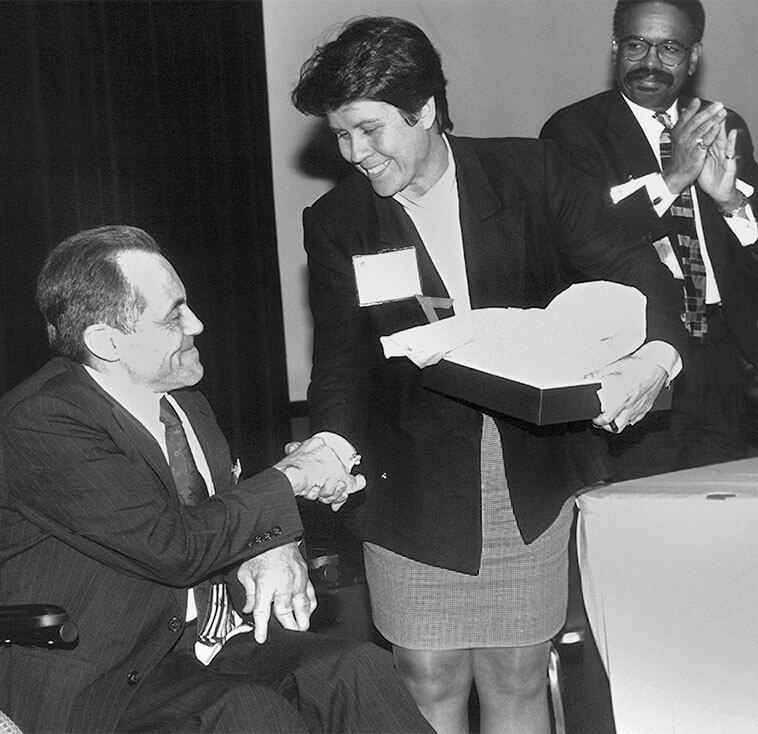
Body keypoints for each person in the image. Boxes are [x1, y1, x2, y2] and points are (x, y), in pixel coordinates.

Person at [291, 16, 689, 734]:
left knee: (515, 672)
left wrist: (651, 363)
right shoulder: (337, 221)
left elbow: (642, 276)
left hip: (525, 473)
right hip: (407, 480)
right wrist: (329, 444)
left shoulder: (532, 174)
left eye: (370, 130)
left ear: (426, 111)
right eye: (341, 135)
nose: (355, 153)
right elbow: (343, 365)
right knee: (427, 676)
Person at [0, 225, 434, 733]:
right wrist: (293, 477)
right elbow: (172, 545)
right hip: (106, 671)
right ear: (106, 341)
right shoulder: (43, 420)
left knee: (355, 670)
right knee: (248, 715)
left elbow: (225, 508)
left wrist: (273, 547)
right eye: (174, 315)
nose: (197, 324)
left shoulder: (185, 399)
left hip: (207, 645)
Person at [541, 0, 758, 480]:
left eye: (670, 48)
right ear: (616, 48)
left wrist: (730, 205)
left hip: (723, 353)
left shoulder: (724, 125)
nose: (651, 63)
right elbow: (584, 243)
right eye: (637, 44)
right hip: (636, 347)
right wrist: (672, 179)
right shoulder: (572, 131)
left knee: (717, 512)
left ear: (694, 56)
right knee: (641, 508)